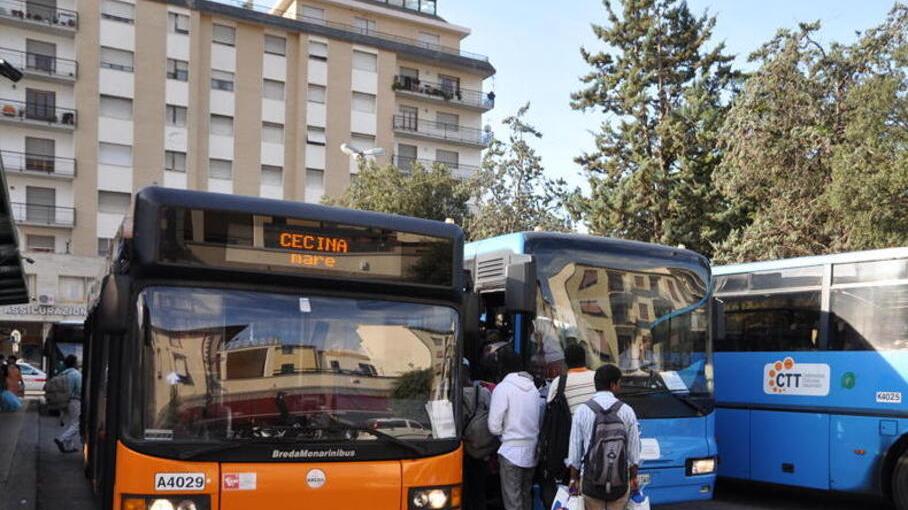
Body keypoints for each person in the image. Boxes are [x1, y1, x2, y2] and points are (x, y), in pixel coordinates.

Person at [566, 364, 641, 510]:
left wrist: (573, 479)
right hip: (619, 486)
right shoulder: (627, 411)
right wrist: (633, 478)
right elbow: (634, 453)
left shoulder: (582, 411)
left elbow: (574, 453)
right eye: (619, 383)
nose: (620, 387)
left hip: (591, 486)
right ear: (613, 385)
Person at [488, 348, 543, 510]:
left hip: (510, 452)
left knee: (513, 502)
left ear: (502, 367)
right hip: (531, 452)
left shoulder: (503, 388)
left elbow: (493, 426)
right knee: (526, 498)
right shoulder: (533, 389)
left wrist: (504, 432)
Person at [462, 359, 493, 510]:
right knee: (479, 489)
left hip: (460, 447)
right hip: (480, 448)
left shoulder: (451, 393)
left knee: (464, 490)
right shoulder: (483, 391)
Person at [546, 343, 596, 413]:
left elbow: (549, 406)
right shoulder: (597, 377)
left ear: (565, 361)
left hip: (568, 423)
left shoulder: (558, 382)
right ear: (585, 359)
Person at [53, 355, 82, 454]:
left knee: (71, 423)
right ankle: (61, 439)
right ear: (74, 363)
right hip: (75, 401)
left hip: (64, 401)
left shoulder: (63, 374)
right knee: (77, 424)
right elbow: (79, 390)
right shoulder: (76, 374)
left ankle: (69, 447)